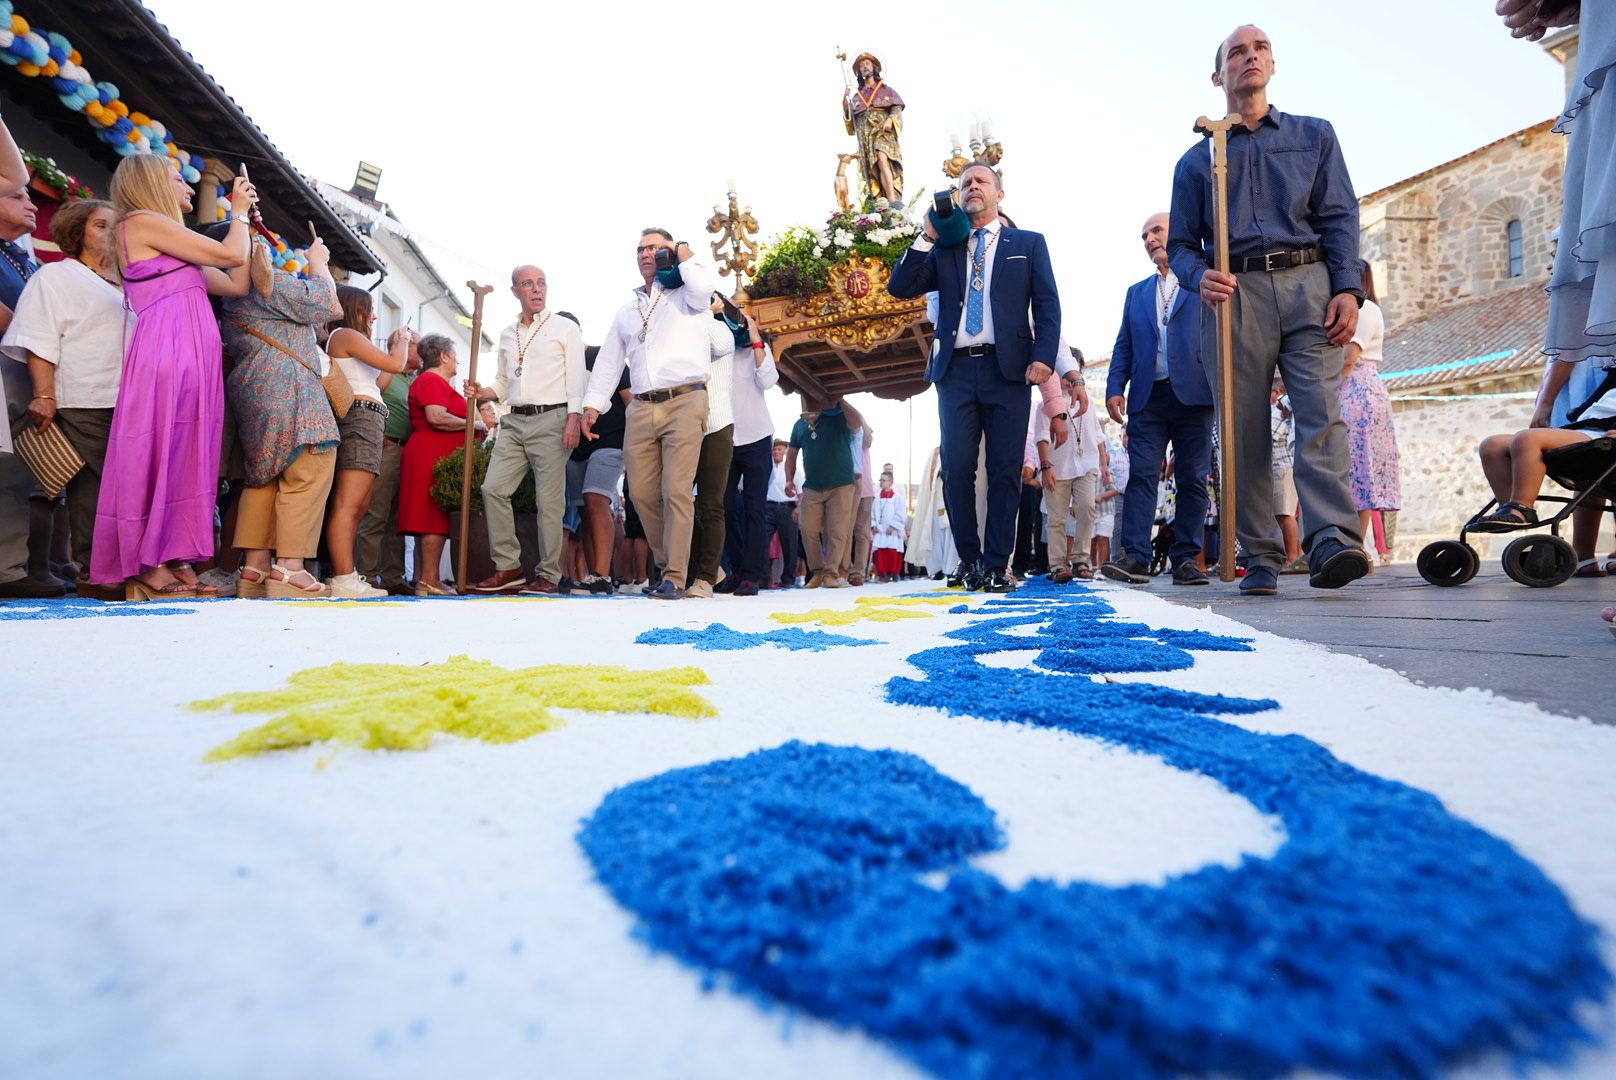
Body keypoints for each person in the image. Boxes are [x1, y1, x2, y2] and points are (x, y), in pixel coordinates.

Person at [1168, 24, 1369, 597]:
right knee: (1243, 426)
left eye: (1259, 50)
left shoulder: (1314, 136)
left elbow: (1339, 216)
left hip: (1310, 282)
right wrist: (1194, 275)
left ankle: (1331, 535)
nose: (1249, 57)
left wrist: (1348, 289)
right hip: (1235, 293)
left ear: (1272, 67)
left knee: (1319, 410)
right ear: (1219, 75)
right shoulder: (1195, 160)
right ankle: (1260, 552)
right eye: (1237, 52)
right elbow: (1182, 243)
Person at [888, 163, 1061, 592]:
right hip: (956, 371)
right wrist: (928, 234)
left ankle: (997, 563)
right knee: (958, 467)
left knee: (1005, 470)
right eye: (965, 183)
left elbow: (1047, 305)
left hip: (1009, 371)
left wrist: (1044, 360)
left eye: (981, 181)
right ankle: (970, 560)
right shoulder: (947, 248)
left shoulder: (1029, 243)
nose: (972, 188)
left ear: (1000, 193)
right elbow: (900, 285)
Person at [92, 154, 254, 599]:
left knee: (186, 452)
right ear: (151, 185)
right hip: (168, 350)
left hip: (193, 356)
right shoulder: (141, 222)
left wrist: (248, 229)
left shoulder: (173, 244)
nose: (187, 187)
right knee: (160, 447)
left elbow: (234, 281)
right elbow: (228, 252)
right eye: (177, 179)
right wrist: (235, 214)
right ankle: (147, 563)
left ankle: (173, 555)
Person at [1, 199, 131, 600]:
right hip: (83, 396)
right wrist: (44, 393)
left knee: (113, 485)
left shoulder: (127, 283)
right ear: (77, 233)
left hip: (128, 400)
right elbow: (38, 337)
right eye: (99, 225)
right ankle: (98, 569)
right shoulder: (57, 276)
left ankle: (105, 567)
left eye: (115, 226)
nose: (110, 233)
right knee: (98, 486)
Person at [581, 229, 720, 600]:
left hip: (685, 399)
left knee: (676, 489)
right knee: (641, 495)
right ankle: (682, 561)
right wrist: (593, 404)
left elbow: (706, 285)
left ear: (670, 253)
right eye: (641, 248)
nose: (647, 253)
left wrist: (683, 252)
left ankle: (673, 573)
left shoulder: (686, 295)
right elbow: (610, 361)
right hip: (640, 407)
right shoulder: (627, 311)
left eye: (656, 247)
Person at [220, 245, 344, 600]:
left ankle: (255, 567)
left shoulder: (229, 294)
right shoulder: (267, 284)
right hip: (292, 388)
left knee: (263, 476)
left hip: (251, 388)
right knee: (309, 469)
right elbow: (328, 305)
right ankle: (290, 568)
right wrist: (318, 262)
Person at [1101, 212, 1213, 587]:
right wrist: (1115, 387)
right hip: (1147, 398)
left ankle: (1186, 558)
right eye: (1144, 235)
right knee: (1142, 475)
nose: (1149, 239)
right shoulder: (1136, 293)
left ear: (1178, 230)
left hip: (1194, 395)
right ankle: (1135, 556)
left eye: (1157, 230)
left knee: (1193, 478)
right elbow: (1124, 345)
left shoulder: (1204, 279)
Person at [467, 266, 585, 594]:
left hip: (553, 419)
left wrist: (573, 418)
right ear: (515, 290)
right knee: (493, 489)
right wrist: (482, 392)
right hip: (514, 421)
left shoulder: (564, 328)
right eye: (528, 284)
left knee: (548, 501)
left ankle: (548, 573)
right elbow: (504, 382)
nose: (536, 290)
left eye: (541, 283)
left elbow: (576, 376)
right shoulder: (507, 334)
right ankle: (509, 567)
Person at [321, 285, 414, 597]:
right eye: (369, 309)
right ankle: (344, 577)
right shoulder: (346, 335)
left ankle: (348, 574)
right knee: (349, 504)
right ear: (353, 309)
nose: (374, 316)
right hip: (359, 416)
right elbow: (396, 366)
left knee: (359, 505)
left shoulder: (351, 340)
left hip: (369, 414)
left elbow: (380, 382)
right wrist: (401, 343)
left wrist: (394, 355)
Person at [1338, 263, 1401, 563]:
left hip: (1356, 389)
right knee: (1351, 468)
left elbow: (1349, 358)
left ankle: (1356, 545)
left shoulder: (1365, 309)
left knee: (1359, 468)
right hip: (1355, 388)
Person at [398, 334, 467, 596]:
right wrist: (473, 424)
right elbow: (436, 416)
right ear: (444, 356)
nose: (458, 360)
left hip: (436, 453)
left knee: (433, 517)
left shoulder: (436, 382)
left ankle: (429, 578)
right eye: (455, 354)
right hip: (430, 453)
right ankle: (428, 579)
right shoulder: (430, 380)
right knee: (430, 517)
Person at [357, 332, 421, 595]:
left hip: (407, 453)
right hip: (387, 448)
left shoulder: (414, 379)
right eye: (419, 343)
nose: (424, 348)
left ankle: (393, 576)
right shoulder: (386, 371)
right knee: (376, 514)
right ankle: (366, 575)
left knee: (397, 518)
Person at [719, 311, 776, 596]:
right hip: (726, 438)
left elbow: (768, 381)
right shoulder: (718, 354)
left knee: (755, 508)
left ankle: (752, 575)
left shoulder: (760, 351)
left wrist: (755, 339)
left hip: (757, 437)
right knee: (725, 508)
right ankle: (738, 569)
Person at [685, 298, 739, 598]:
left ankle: (706, 577)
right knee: (677, 501)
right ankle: (705, 567)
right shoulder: (681, 334)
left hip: (717, 425)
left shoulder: (720, 330)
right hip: (685, 426)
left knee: (710, 505)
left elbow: (720, 347)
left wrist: (707, 311)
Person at [785, 394, 866, 588]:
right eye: (806, 415)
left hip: (841, 485)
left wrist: (838, 399)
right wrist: (789, 479)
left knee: (838, 532)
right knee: (807, 530)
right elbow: (791, 455)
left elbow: (858, 423)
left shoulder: (839, 416)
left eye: (812, 414)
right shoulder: (799, 425)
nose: (809, 418)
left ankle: (832, 573)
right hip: (812, 486)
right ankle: (818, 572)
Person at [1037, 357, 1103, 583]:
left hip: (1086, 466)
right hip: (1057, 468)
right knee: (1056, 519)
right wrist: (1045, 467)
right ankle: (1057, 565)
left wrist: (1103, 464)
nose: (1068, 379)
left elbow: (1098, 435)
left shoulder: (1089, 401)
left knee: (1087, 508)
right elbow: (1042, 438)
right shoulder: (1045, 405)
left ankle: (1080, 560)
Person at [843, 52, 904, 204]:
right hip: (865, 135)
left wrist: (890, 119)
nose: (864, 67)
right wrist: (845, 103)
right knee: (871, 168)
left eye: (867, 64)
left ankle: (892, 200)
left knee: (883, 157)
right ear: (859, 72)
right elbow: (851, 125)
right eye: (861, 66)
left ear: (874, 68)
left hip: (882, 130)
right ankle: (879, 202)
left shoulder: (886, 90)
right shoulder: (857, 97)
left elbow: (896, 108)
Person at [762, 438, 800, 588]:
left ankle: (789, 579)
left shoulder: (792, 469)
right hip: (768, 507)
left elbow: (801, 490)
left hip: (787, 508)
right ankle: (763, 578)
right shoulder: (766, 467)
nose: (777, 452)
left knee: (790, 544)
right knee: (762, 543)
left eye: (780, 449)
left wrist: (799, 508)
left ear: (785, 451)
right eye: (774, 449)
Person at [871, 470, 905, 582]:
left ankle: (894, 573)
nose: (881, 482)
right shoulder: (876, 498)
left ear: (890, 481)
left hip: (892, 531)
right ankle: (883, 574)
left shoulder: (897, 498)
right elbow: (872, 513)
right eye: (880, 480)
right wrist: (874, 525)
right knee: (881, 553)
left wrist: (893, 526)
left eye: (883, 480)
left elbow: (901, 512)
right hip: (880, 530)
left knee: (893, 552)